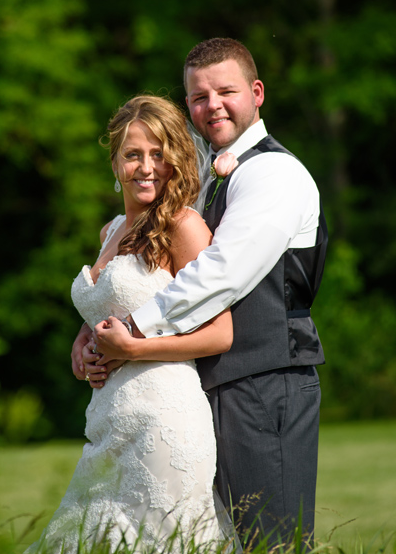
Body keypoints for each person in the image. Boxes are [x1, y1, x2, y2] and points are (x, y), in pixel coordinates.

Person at [82, 38, 327, 546]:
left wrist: (131, 329)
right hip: (200, 389)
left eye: (225, 91)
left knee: (272, 539)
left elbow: (221, 273)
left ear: (256, 93)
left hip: (266, 380)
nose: (211, 105)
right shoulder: (202, 180)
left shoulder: (273, 173)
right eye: (198, 96)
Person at [27, 95, 234, 554]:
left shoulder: (184, 227)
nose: (146, 167)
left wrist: (132, 351)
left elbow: (222, 332)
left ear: (175, 160)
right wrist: (83, 350)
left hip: (164, 421)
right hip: (108, 423)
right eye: (133, 154)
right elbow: (106, 313)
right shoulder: (111, 230)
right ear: (115, 161)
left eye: (158, 155)